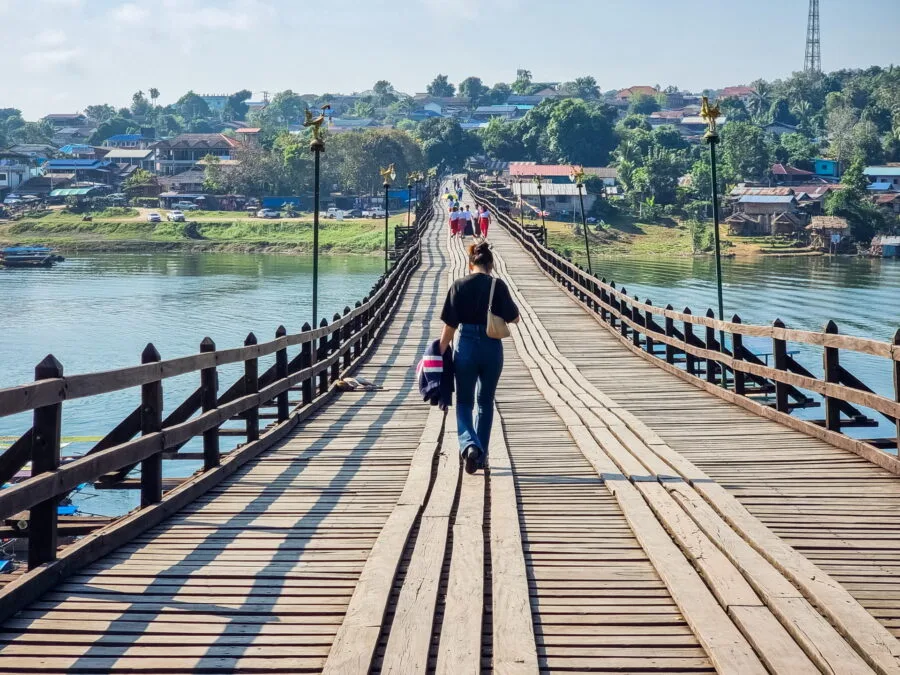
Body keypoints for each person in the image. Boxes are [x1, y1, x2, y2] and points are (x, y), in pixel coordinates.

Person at [439, 242, 521, 474]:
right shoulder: (497, 285)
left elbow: (450, 325)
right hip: (491, 346)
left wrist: (440, 350)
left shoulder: (459, 285)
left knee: (464, 402)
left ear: (470, 264)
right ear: (491, 265)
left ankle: (469, 445)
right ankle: (481, 455)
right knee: (485, 401)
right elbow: (514, 318)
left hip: (465, 345)